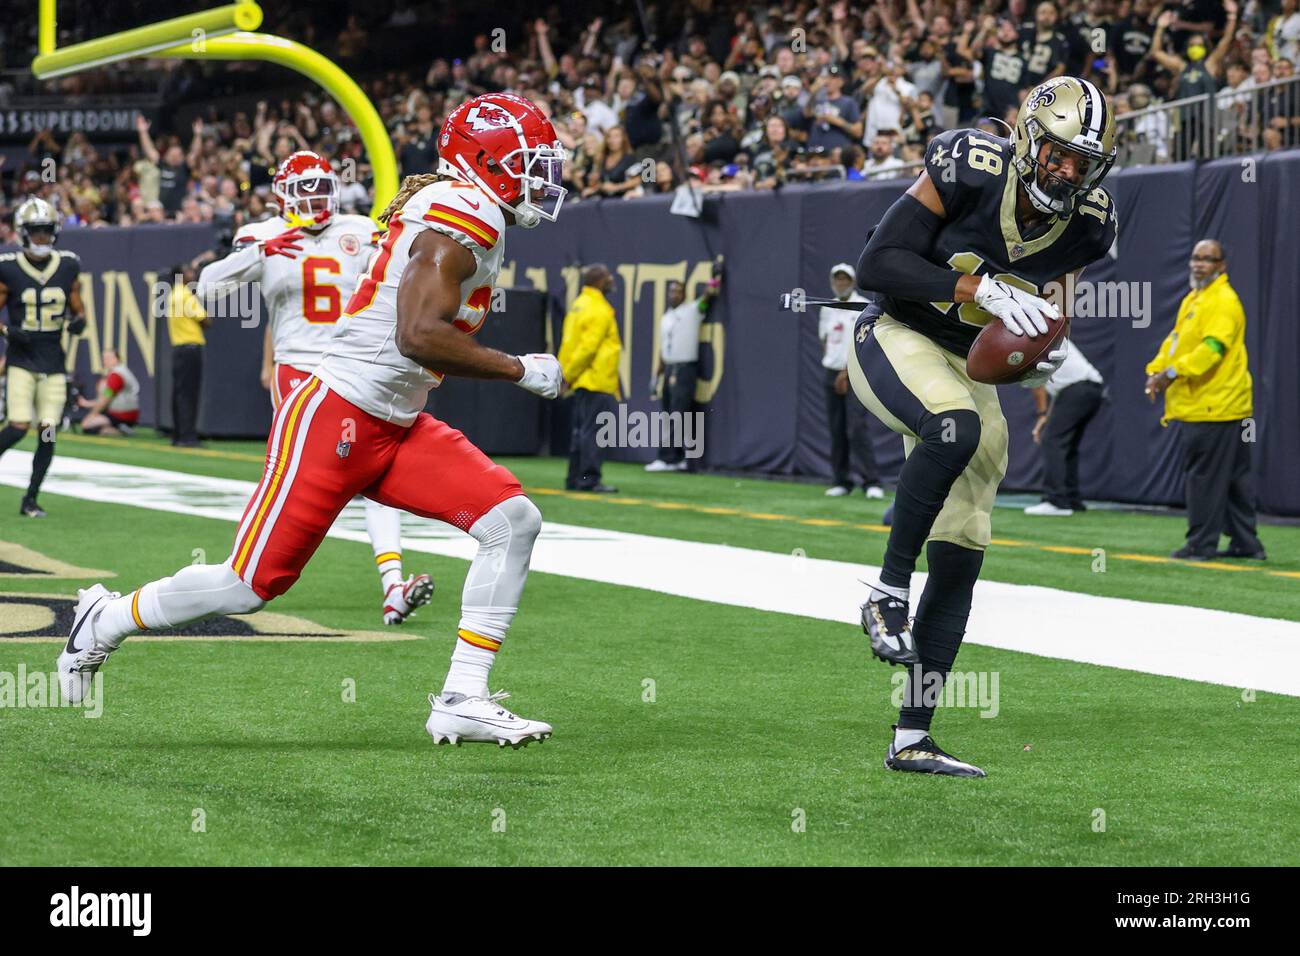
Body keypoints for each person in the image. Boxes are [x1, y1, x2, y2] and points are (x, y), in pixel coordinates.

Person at [60, 92, 568, 749]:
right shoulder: (465, 214)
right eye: (530, 162)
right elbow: (417, 335)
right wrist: (520, 369)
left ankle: (463, 698)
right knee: (246, 587)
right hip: (337, 414)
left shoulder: (466, 209)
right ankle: (105, 620)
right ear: (485, 161)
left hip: (397, 422)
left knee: (512, 520)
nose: (541, 178)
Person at [850, 77, 1118, 776]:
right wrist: (977, 288)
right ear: (1030, 138)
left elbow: (1053, 312)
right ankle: (884, 593)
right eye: (1059, 154)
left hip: (967, 364)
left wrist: (1042, 357)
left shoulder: (1089, 221)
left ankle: (913, 736)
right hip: (895, 333)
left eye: (1081, 161)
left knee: (966, 548)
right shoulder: (970, 163)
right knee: (955, 426)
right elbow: (880, 264)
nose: (1068, 171)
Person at [196, 150, 435, 627]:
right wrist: (255, 255)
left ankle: (393, 588)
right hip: (299, 370)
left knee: (368, 480)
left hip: (355, 367)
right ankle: (238, 571)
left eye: (320, 188)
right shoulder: (263, 235)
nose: (313, 198)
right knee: (293, 477)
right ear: (282, 194)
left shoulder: (360, 229)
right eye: (302, 189)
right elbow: (206, 289)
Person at [1145, 239, 1264, 561]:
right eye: (1196, 258)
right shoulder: (1195, 299)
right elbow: (1176, 342)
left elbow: (1212, 350)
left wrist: (1171, 374)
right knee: (1234, 479)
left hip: (1213, 406)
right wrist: (1157, 369)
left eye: (1208, 259)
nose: (1199, 264)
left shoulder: (1223, 300)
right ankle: (1246, 544)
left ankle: (1201, 544)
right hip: (1218, 405)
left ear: (1221, 266)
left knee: (1204, 480)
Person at [0, 197, 86, 518]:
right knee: (19, 426)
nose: (41, 238)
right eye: (35, 232)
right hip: (22, 359)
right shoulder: (9, 268)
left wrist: (80, 322)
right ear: (23, 233)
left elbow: (80, 309)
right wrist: (8, 332)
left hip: (53, 362)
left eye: (46, 232)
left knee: (48, 432)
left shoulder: (67, 265)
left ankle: (30, 499)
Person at [819, 264, 882, 499]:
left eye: (846, 279)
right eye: (838, 279)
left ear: (853, 282)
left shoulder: (862, 306)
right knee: (836, 429)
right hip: (831, 372)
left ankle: (871, 481)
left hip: (855, 374)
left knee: (856, 428)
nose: (841, 283)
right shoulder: (828, 308)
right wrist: (833, 368)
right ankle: (842, 481)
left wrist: (846, 372)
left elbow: (863, 345)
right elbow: (825, 340)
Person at [1023, 339, 1105, 516]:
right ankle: (1071, 499)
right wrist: (1046, 417)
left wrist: (1042, 414)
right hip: (1093, 390)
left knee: (1052, 441)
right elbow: (1061, 392)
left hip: (1076, 390)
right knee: (1067, 445)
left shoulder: (1026, 338)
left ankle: (1056, 501)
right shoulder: (1051, 332)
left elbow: (1036, 383)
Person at [559, 264, 621, 493]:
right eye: (607, 276)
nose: (611, 279)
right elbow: (588, 348)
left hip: (582, 380)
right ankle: (589, 479)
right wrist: (570, 375)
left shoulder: (578, 305)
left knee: (581, 432)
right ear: (597, 281)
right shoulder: (599, 308)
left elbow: (569, 344)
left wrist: (566, 375)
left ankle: (574, 478)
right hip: (596, 378)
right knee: (594, 432)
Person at [646, 276, 718, 472]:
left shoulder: (693, 311)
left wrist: (714, 280)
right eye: (671, 291)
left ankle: (671, 458)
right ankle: (673, 458)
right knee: (668, 413)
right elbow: (663, 349)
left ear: (684, 294)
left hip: (685, 369)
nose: (674, 294)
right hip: (669, 368)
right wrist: (656, 375)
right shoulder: (666, 317)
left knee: (679, 413)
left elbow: (708, 296)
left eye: (678, 291)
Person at [165, 261, 209, 447]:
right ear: (181, 277)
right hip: (190, 348)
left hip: (178, 349)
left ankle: (178, 434)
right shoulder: (185, 295)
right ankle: (187, 436)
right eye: (189, 271)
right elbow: (205, 319)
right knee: (189, 393)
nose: (193, 274)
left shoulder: (172, 295)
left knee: (180, 393)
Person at [78, 349, 140, 436]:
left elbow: (105, 399)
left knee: (87, 426)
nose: (105, 361)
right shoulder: (120, 371)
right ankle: (120, 427)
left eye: (109, 358)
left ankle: (119, 430)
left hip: (121, 415)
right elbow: (105, 397)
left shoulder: (116, 375)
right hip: (126, 413)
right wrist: (87, 404)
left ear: (117, 359)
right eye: (104, 358)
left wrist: (91, 415)